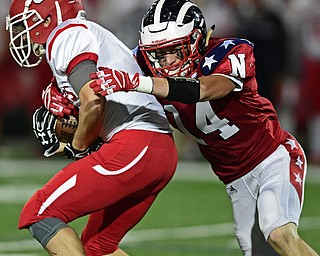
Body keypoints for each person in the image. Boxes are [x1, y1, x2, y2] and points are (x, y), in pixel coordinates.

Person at [88, 0, 319, 255]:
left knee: (279, 234)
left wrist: (140, 83)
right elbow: (98, 76)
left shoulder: (231, 51)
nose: (166, 61)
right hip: (234, 178)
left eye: (175, 50)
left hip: (273, 157)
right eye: (158, 53)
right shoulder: (142, 64)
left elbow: (204, 89)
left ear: (196, 40)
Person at [6, 0, 178, 255]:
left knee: (38, 212)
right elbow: (96, 102)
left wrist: (77, 146)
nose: (22, 33)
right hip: (156, 149)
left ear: (44, 19)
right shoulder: (84, 36)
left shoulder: (66, 35)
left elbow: (93, 101)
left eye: (23, 24)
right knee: (98, 247)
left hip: (136, 143)